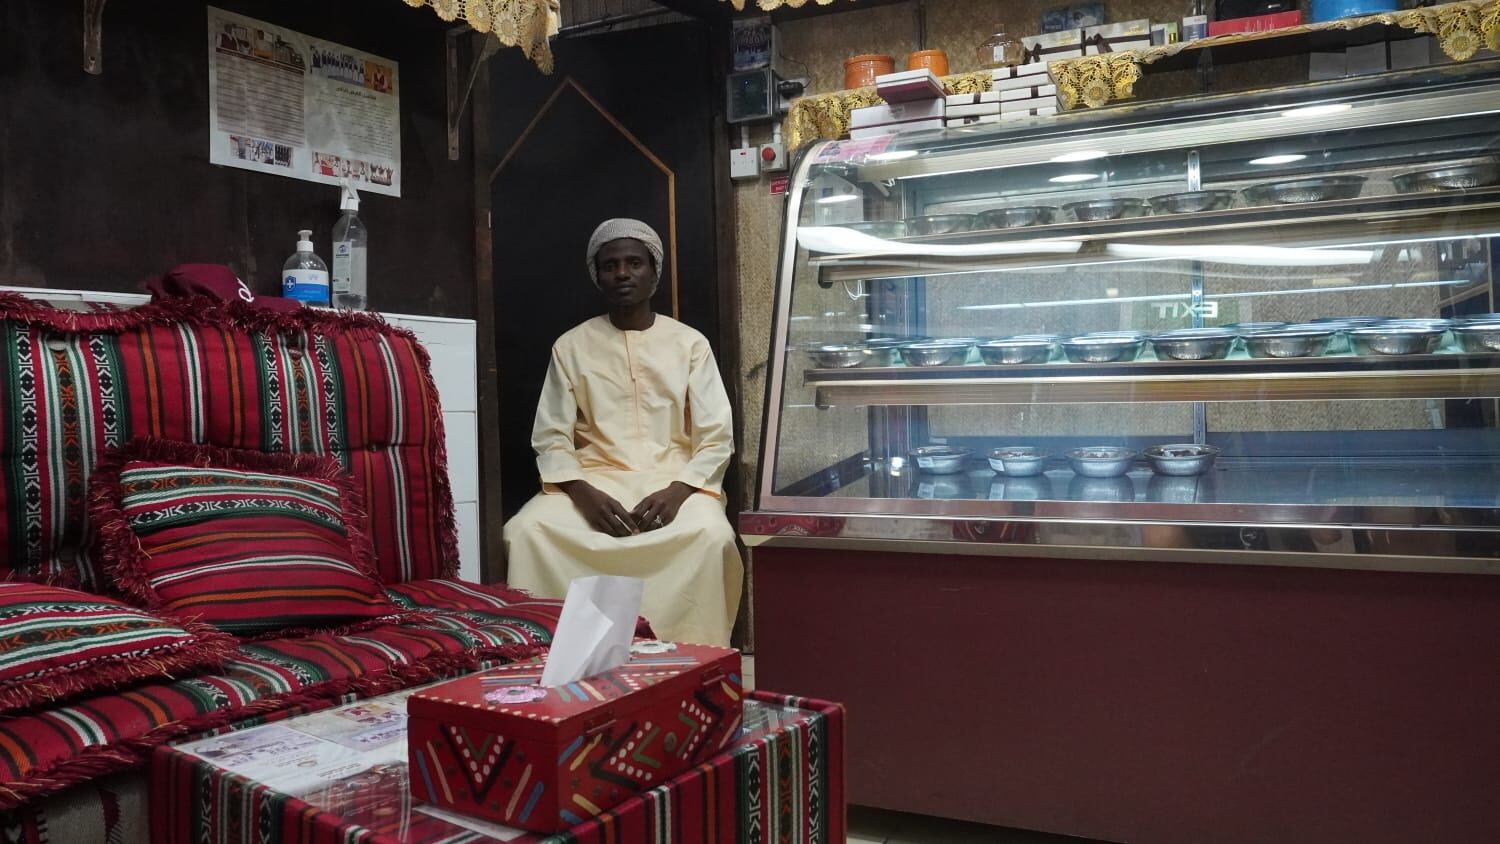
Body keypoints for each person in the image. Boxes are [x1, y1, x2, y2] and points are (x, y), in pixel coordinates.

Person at [503, 219, 743, 646]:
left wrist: (679, 491)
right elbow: (551, 436)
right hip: (594, 481)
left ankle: (691, 655)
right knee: (526, 531)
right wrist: (582, 493)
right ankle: (550, 651)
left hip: (674, 483)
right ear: (598, 275)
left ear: (655, 272)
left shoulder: (690, 344)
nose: (622, 273)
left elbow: (715, 436)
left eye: (635, 262)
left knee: (712, 536)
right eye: (610, 265)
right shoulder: (571, 346)